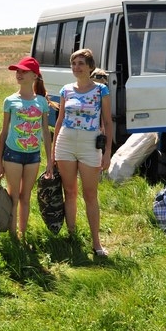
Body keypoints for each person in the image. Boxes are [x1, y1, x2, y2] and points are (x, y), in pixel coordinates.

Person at [52, 49, 112, 257]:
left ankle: (96, 243)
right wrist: (53, 151)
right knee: (69, 191)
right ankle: (72, 236)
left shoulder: (101, 90)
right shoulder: (66, 90)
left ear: (90, 67)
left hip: (89, 145)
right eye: (74, 63)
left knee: (90, 194)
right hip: (65, 143)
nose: (76, 67)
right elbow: (59, 120)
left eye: (81, 63)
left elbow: (108, 122)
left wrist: (107, 152)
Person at [0, 57, 53, 240]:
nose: (19, 74)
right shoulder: (10, 101)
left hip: (33, 156)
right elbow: (4, 132)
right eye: (17, 71)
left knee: (25, 197)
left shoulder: (42, 102)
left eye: (23, 71)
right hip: (12, 155)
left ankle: (23, 234)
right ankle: (13, 236)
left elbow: (46, 132)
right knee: (13, 197)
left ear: (35, 76)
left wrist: (50, 160)